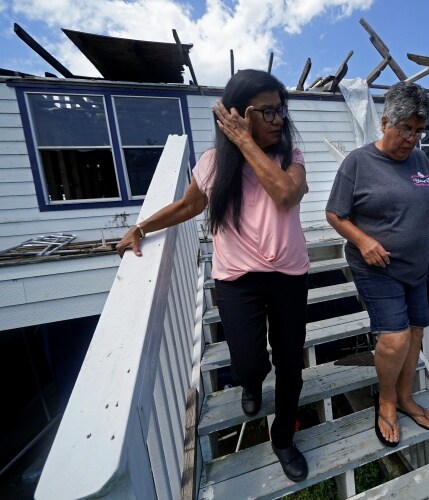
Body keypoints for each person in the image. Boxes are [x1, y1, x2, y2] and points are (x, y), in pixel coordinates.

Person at [116, 69, 310, 482]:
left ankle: (283, 439)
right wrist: (142, 227)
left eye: (281, 109)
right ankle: (253, 383)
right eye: (268, 111)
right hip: (237, 279)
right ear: (238, 115)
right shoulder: (211, 163)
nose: (279, 119)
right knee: (247, 360)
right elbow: (188, 206)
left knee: (291, 363)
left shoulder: (290, 156)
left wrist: (244, 141)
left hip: (289, 275)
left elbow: (285, 194)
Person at [325, 81, 429, 447]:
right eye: (405, 128)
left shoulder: (421, 160)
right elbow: (334, 213)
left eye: (418, 130)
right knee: (393, 339)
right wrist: (362, 240)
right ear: (385, 121)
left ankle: (407, 398)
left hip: (414, 267)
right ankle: (387, 400)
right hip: (375, 267)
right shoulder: (358, 163)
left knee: (416, 334)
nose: (411, 137)